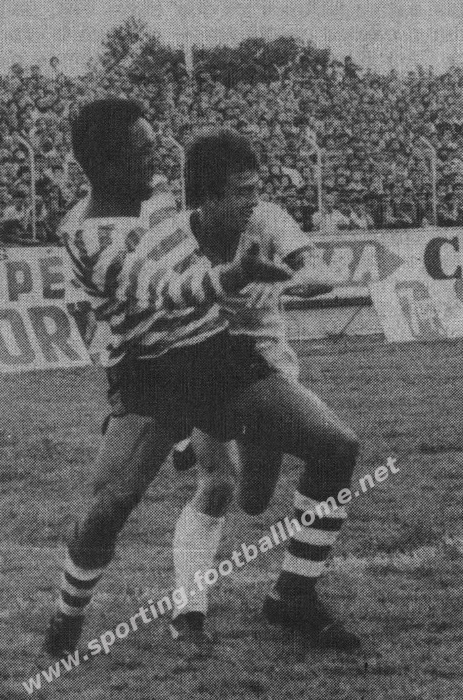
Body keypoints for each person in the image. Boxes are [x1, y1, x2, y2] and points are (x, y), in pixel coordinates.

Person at [44, 101, 293, 658]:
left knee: (248, 477)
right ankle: (68, 612)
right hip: (151, 374)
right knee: (111, 505)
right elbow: (163, 287)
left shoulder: (157, 197)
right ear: (105, 165)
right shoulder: (87, 236)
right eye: (143, 151)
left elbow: (185, 257)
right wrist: (229, 277)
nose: (156, 160)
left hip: (207, 354)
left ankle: (273, 596)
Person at [170, 129, 361, 651]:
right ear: (206, 198)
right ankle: (191, 611)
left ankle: (189, 440)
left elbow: (319, 271)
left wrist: (283, 282)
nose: (254, 199)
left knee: (254, 499)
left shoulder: (268, 220)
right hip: (202, 366)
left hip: (266, 369)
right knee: (218, 483)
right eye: (242, 191)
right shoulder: (173, 237)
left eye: (256, 188)